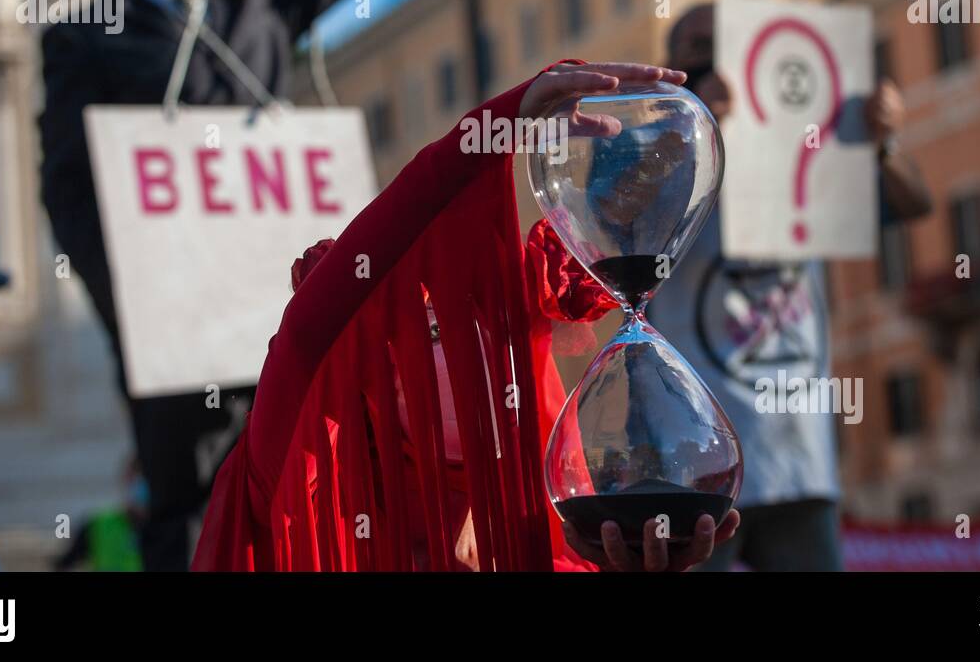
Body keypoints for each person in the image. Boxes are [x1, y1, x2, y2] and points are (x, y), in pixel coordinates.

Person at [38, 0, 410, 571]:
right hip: (173, 317)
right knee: (194, 502)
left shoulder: (256, 0)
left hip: (280, 302)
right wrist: (126, 299)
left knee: (314, 475)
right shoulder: (86, 33)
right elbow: (65, 182)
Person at [193, 61, 741, 572]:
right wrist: (488, 133)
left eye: (485, 325)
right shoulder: (298, 475)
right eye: (434, 330)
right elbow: (323, 321)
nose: (470, 351)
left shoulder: (542, 532)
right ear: (368, 370)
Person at [649, 2, 933, 572]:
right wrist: (693, 126)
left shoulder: (806, 154)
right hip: (693, 464)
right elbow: (615, 220)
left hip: (798, 459)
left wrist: (884, 143)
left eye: (728, 43)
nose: (716, 57)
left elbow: (913, 203)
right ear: (671, 67)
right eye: (699, 47)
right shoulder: (657, 156)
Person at [53, 458, 148, 572]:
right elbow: (64, 563)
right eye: (135, 478)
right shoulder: (98, 525)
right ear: (125, 480)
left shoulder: (169, 530)